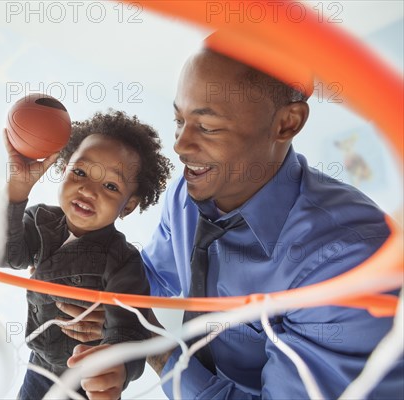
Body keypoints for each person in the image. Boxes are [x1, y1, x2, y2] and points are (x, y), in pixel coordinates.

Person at [62, 39, 404, 398]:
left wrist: (153, 348)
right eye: (179, 120)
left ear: (287, 124)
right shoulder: (186, 194)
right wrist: (102, 294)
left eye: (207, 128)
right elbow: (155, 277)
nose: (179, 145)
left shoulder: (349, 257)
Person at [0, 109, 173, 400]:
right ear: (63, 168)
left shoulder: (122, 260)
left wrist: (116, 370)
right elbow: (5, 254)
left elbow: (128, 331)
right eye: (80, 172)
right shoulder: (40, 220)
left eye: (110, 186)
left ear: (128, 206)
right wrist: (17, 188)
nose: (88, 190)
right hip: (40, 364)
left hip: (86, 375)